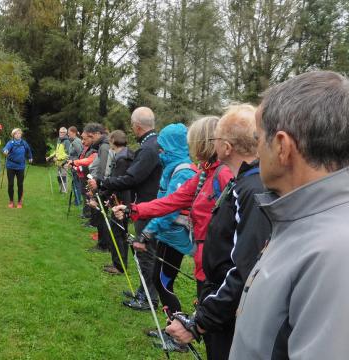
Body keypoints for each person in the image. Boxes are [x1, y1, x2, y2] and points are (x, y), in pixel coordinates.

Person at [225, 71, 349, 359]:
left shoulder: (334, 252)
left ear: (282, 146)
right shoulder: (300, 220)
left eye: (259, 139)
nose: (256, 152)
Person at [165, 105, 270, 359]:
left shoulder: (250, 189)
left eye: (216, 139)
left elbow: (245, 266)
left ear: (225, 147)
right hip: (221, 299)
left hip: (231, 308)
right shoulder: (242, 182)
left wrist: (200, 321)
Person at [113, 116, 233, 308]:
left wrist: (146, 231)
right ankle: (177, 333)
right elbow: (171, 201)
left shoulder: (223, 174)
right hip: (205, 257)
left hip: (216, 258)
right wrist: (132, 209)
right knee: (200, 304)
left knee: (207, 311)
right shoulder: (205, 173)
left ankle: (177, 336)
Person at [89, 107, 163, 310]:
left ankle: (148, 298)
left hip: (148, 207)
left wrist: (104, 183)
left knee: (146, 254)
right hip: (148, 206)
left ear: (137, 126)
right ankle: (143, 291)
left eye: (132, 125)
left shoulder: (149, 148)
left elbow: (132, 177)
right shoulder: (153, 144)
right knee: (144, 253)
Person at [140, 123, 196, 352]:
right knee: (159, 279)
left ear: (173, 146)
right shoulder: (171, 166)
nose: (160, 152)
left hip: (175, 237)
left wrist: (148, 230)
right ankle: (171, 327)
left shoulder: (183, 171)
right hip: (167, 235)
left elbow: (170, 208)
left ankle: (179, 335)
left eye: (163, 147)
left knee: (164, 283)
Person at [96, 130, 135, 274]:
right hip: (123, 198)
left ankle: (119, 266)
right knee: (120, 232)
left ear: (112, 140)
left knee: (117, 233)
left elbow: (117, 182)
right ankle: (120, 263)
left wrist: (107, 195)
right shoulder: (127, 154)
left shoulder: (122, 159)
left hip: (121, 200)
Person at [85, 123, 111, 252]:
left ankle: (103, 245)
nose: (90, 140)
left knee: (102, 214)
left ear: (97, 134)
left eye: (90, 137)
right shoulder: (102, 145)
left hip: (103, 185)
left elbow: (104, 169)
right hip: (101, 184)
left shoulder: (104, 146)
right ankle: (102, 243)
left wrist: (97, 185)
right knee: (101, 214)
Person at [2, 128, 33, 208]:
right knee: (11, 184)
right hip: (11, 166)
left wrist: (30, 157)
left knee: (20, 184)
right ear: (13, 135)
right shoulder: (11, 143)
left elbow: (28, 150)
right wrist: (5, 151)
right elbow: (5, 148)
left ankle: (19, 201)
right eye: (16, 134)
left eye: (19, 133)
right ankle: (11, 201)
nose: (18, 135)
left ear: (21, 134)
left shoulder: (24, 143)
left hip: (20, 167)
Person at [46, 127, 71, 193]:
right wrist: (50, 157)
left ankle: (64, 191)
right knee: (58, 177)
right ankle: (60, 189)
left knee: (64, 176)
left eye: (63, 132)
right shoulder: (59, 140)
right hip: (58, 162)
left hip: (64, 162)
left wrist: (58, 158)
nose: (61, 133)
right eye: (60, 132)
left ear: (66, 133)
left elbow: (68, 154)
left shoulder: (67, 141)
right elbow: (57, 151)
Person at [67, 126, 84, 206]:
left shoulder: (76, 142)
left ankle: (78, 201)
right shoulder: (74, 141)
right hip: (73, 165)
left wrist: (74, 163)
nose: (68, 134)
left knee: (77, 183)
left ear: (73, 133)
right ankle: (77, 199)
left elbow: (80, 154)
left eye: (69, 133)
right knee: (75, 183)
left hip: (76, 167)